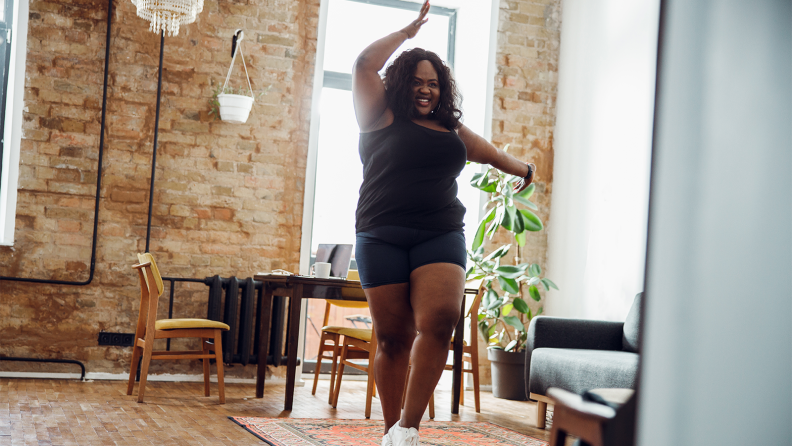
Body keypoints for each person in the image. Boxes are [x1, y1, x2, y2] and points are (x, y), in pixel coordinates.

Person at [352, 2, 535, 445]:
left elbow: (491, 153)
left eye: (433, 84)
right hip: (381, 233)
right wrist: (406, 33)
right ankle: (391, 431)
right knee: (394, 338)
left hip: (440, 231)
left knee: (441, 319)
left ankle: (409, 430)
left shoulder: (451, 130)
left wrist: (523, 169)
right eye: (417, 81)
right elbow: (363, 64)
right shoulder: (376, 113)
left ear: (442, 89)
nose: (425, 90)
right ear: (401, 82)